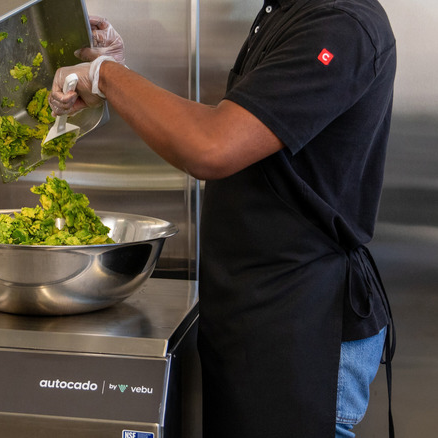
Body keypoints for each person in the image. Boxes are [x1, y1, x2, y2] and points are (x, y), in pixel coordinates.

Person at [49, 2, 396, 437]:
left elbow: (212, 146)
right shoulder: (287, 9)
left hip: (303, 325)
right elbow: (241, 125)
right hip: (257, 314)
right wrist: (118, 73)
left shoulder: (339, 25)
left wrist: (108, 77)